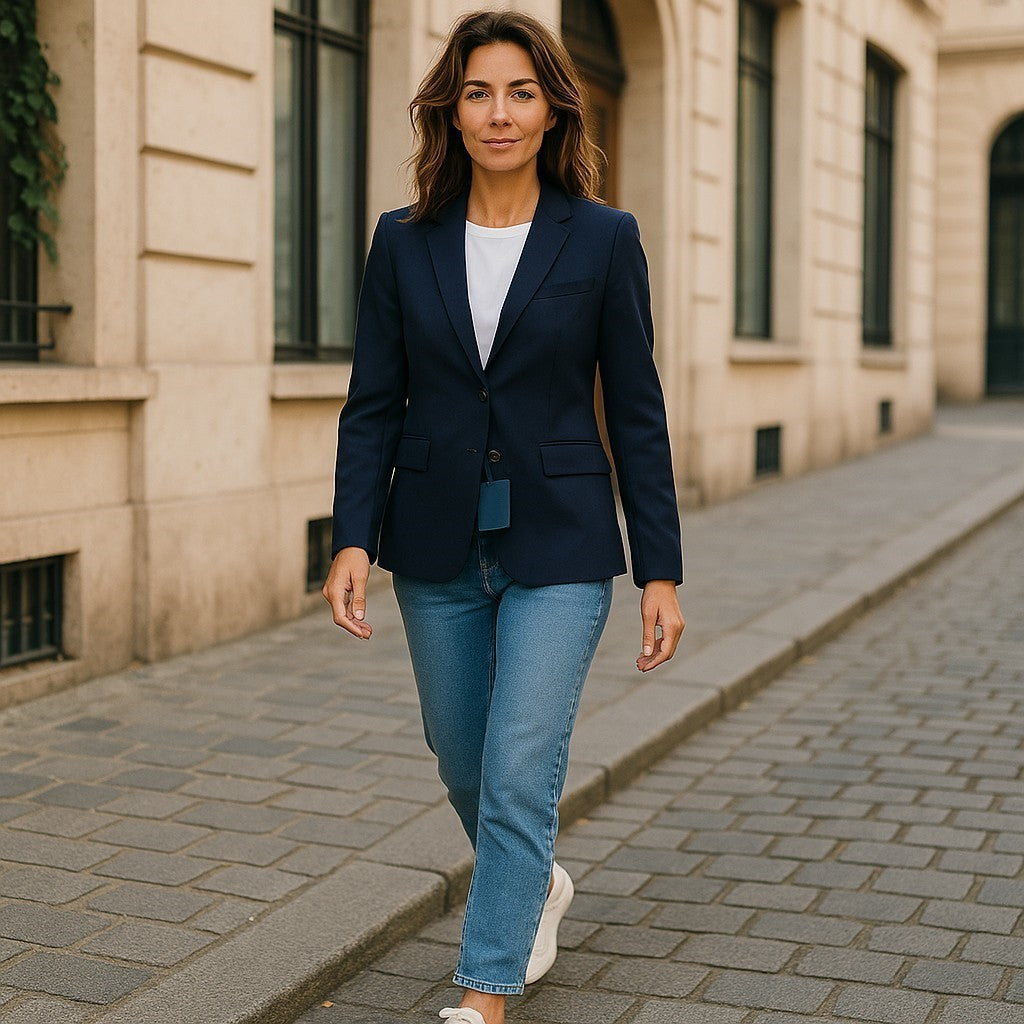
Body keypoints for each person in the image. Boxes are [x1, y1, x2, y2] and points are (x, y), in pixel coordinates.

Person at [322, 10, 685, 1023]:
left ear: (551, 107)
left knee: (522, 761)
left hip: (562, 538)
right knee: (460, 752)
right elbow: (372, 405)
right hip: (434, 533)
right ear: (451, 107)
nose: (499, 112)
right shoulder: (403, 241)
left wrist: (660, 566)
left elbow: (639, 409)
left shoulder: (603, 237)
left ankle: (486, 989)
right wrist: (351, 534)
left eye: (520, 91)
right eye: (479, 91)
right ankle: (536, 883)